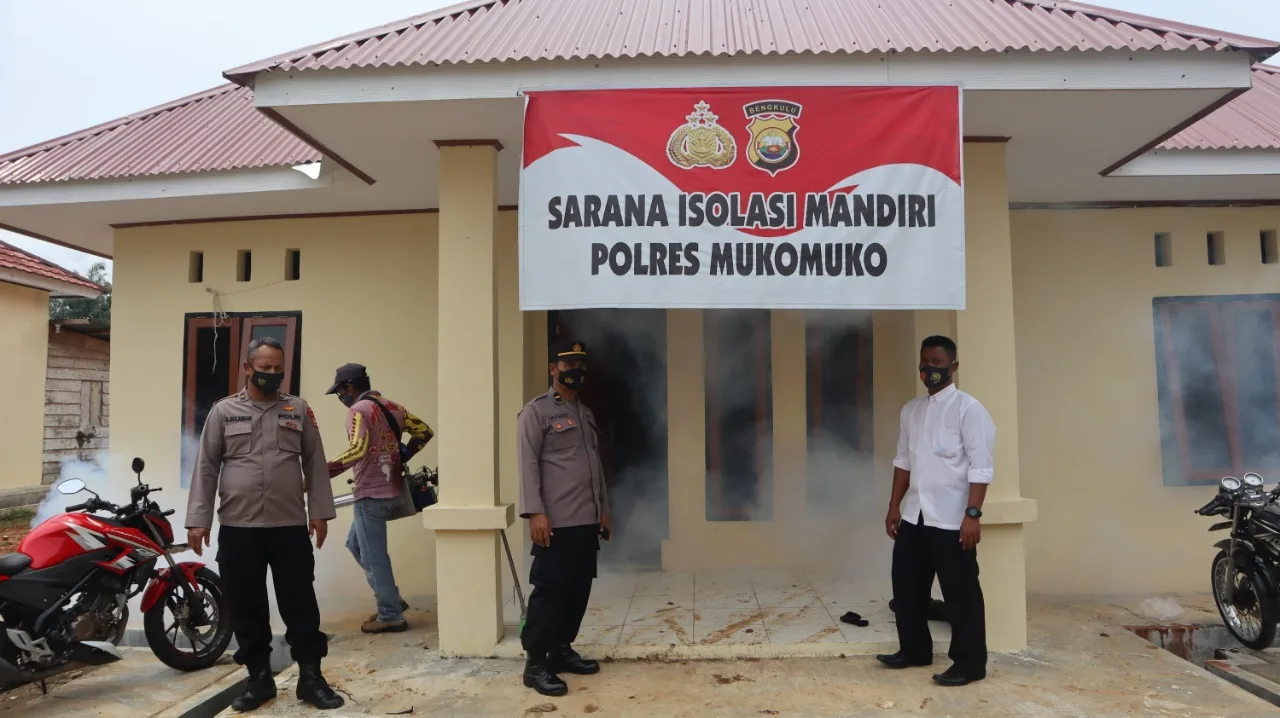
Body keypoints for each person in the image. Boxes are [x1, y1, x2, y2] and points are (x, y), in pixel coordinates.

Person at [185, 337, 344, 712]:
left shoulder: (297, 410)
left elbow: (314, 462)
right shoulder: (223, 413)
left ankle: (311, 678)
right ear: (247, 368)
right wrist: (198, 519)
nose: (271, 374)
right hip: (239, 528)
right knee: (246, 606)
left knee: (300, 603)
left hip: (289, 526)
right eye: (264, 367)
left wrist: (318, 512)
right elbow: (206, 467)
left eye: (278, 369)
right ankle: (259, 679)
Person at [877, 335, 995, 687]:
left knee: (961, 596)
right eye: (925, 363)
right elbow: (903, 462)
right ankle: (913, 651)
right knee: (907, 589)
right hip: (915, 516)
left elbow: (981, 468)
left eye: (938, 364)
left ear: (953, 367)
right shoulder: (911, 410)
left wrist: (973, 515)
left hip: (952, 520)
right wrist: (893, 506)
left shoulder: (969, 410)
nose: (931, 370)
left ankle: (970, 664)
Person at [517, 340, 613, 697]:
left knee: (577, 590)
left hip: (585, 518)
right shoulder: (536, 412)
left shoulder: (584, 412)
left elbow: (594, 466)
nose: (575, 370)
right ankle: (536, 663)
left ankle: (561, 649)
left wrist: (603, 508)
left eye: (580, 364)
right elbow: (527, 465)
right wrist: (536, 513)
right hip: (555, 520)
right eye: (567, 363)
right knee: (551, 592)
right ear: (552, 368)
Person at [324, 362, 434, 634]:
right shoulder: (392, 407)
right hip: (394, 489)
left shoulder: (358, 410)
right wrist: (404, 454)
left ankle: (390, 614)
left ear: (348, 388)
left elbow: (357, 449)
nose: (341, 397)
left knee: (375, 557)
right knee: (356, 545)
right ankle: (392, 598)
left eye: (340, 391)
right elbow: (424, 431)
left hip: (370, 493)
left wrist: (322, 471)